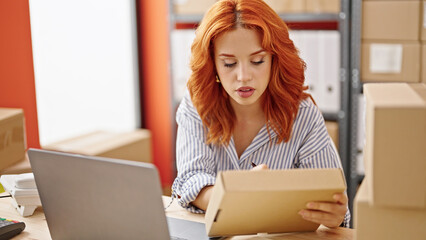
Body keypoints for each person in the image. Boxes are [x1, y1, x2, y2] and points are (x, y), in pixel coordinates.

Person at [171, 0, 350, 228]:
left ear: (275, 60)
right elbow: (190, 180)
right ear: (212, 65)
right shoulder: (197, 103)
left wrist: (335, 215)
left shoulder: (303, 115)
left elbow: (332, 200)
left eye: (257, 61)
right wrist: (239, 194)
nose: (244, 76)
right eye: (228, 64)